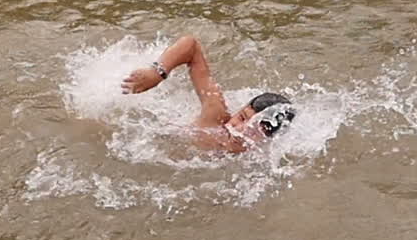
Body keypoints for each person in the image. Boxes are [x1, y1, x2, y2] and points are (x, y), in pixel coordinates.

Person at [121, 34, 296, 153]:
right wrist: (157, 73)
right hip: (137, 135)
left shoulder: (257, 164)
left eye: (253, 130)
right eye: (242, 118)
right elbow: (191, 46)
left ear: (268, 141)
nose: (239, 129)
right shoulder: (216, 118)